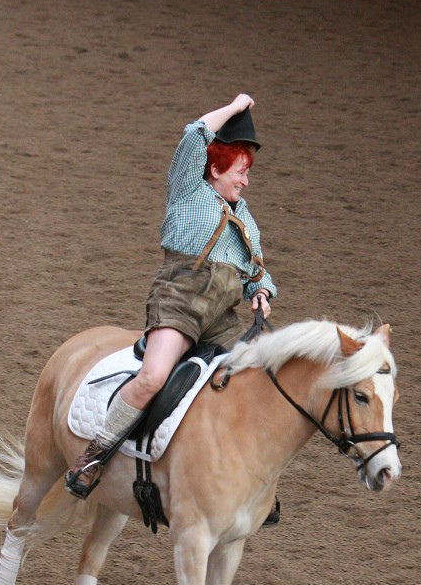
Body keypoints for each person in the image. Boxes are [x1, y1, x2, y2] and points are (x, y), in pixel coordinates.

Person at [66, 93, 277, 499]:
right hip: (181, 302)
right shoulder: (188, 191)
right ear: (216, 167)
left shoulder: (245, 218)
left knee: (245, 390)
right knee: (153, 378)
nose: (246, 181)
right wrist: (234, 108)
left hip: (221, 318)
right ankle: (93, 457)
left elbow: (257, 269)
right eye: (241, 171)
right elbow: (195, 132)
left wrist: (261, 290)